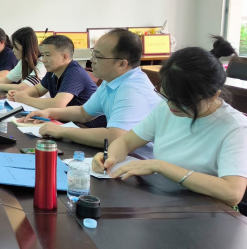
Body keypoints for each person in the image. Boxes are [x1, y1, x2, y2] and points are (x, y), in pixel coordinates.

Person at [93, 47, 247, 208]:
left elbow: (232, 193)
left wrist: (160, 166)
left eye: (182, 101)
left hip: (206, 211)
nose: (171, 105)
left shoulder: (235, 128)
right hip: (165, 200)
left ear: (214, 95)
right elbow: (126, 142)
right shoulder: (165, 108)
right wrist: (110, 158)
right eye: (166, 95)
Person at [25, 29, 160, 153]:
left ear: (122, 64)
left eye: (97, 56)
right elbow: (83, 113)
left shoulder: (133, 91)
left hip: (140, 161)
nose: (91, 60)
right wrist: (49, 112)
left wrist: (62, 131)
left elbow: (115, 137)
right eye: (92, 53)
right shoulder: (111, 81)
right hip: (120, 155)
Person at [8, 35, 103, 126]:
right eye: (43, 55)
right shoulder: (53, 71)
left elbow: (57, 104)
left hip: (88, 126)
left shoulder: (74, 72)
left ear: (65, 57)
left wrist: (25, 99)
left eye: (48, 55)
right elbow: (37, 90)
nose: (43, 60)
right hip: (69, 121)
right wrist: (19, 95)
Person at [0, 27, 45, 91]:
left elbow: (22, 87)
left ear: (26, 46)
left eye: (15, 46)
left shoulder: (43, 63)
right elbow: (6, 80)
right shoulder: (23, 62)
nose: (13, 50)